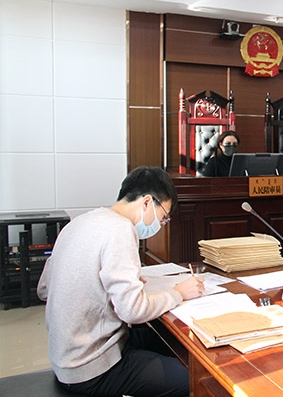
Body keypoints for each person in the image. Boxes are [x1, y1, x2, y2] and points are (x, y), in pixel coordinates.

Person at [37, 166, 204, 397]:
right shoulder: (120, 230)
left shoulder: (79, 222)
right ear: (147, 202)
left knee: (165, 339)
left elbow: (43, 289)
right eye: (164, 217)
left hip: (65, 356)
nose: (161, 224)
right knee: (195, 378)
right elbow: (133, 311)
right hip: (91, 366)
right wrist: (179, 293)